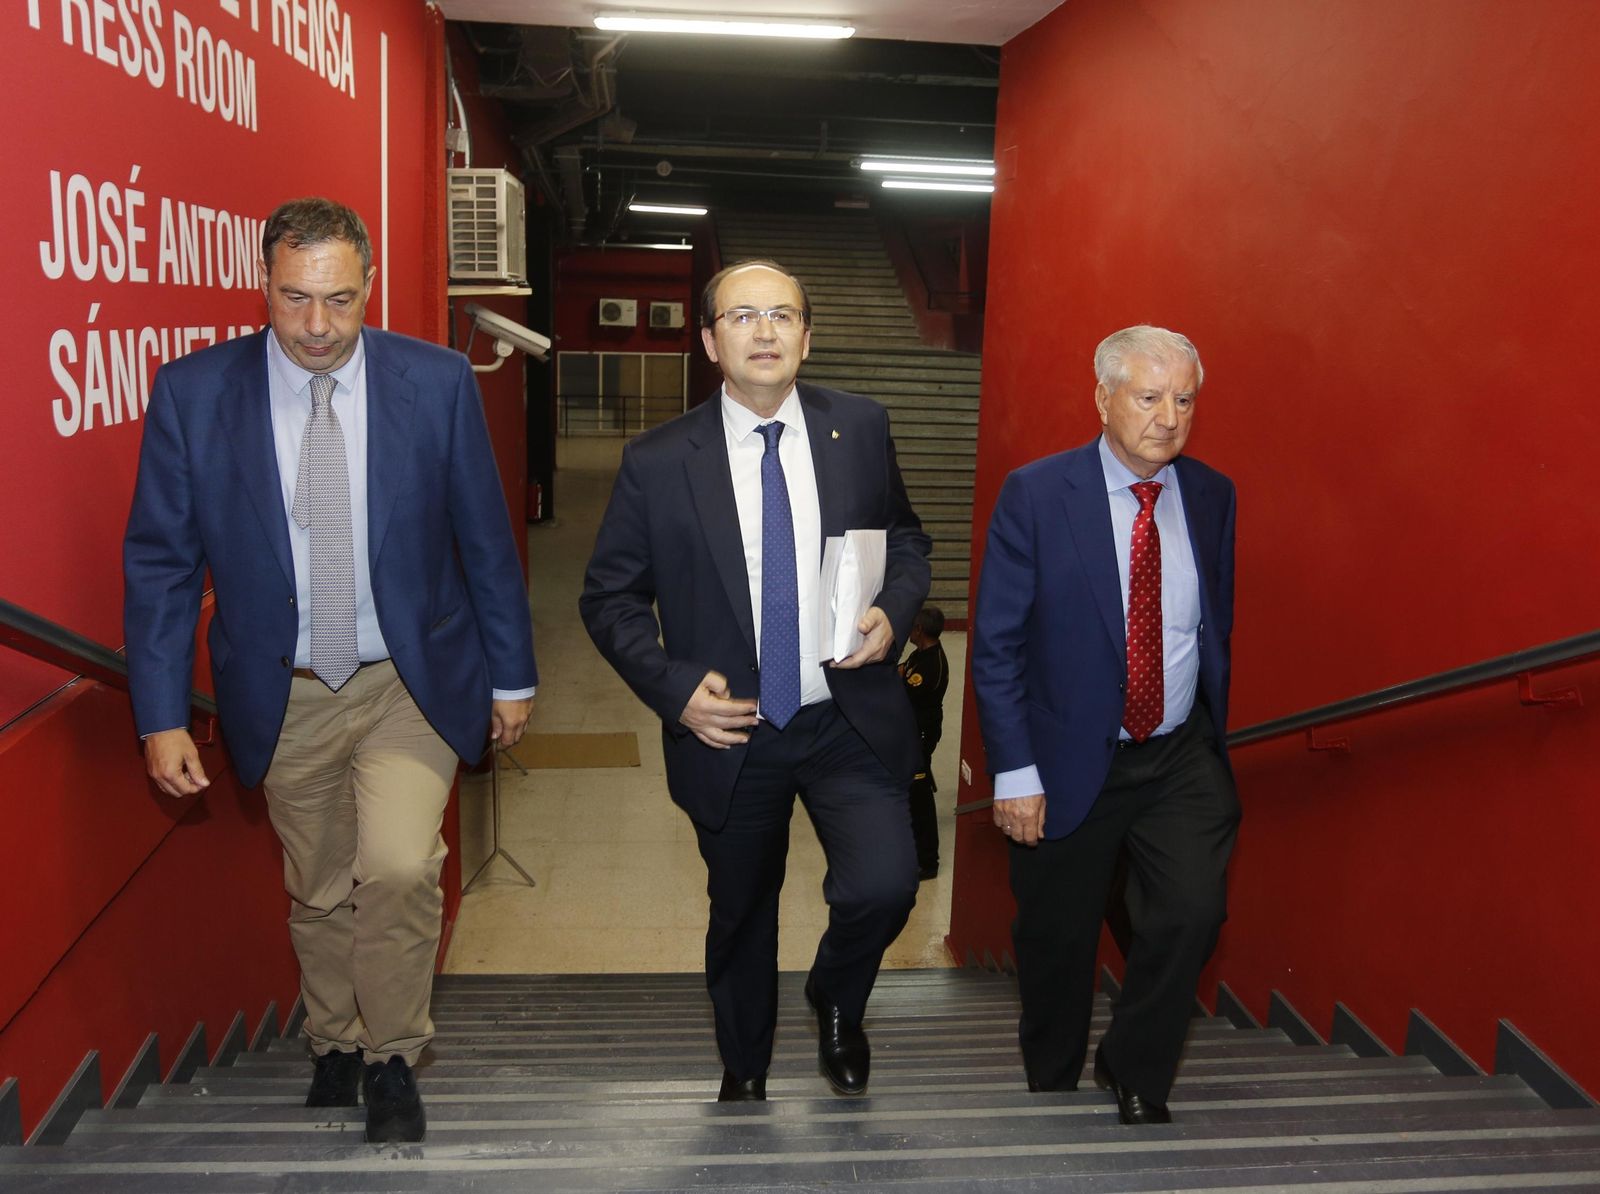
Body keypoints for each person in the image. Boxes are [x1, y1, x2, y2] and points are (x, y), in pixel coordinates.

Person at [123, 197, 538, 1144]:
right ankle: (335, 1040)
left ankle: (394, 1054)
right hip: (287, 689)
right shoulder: (195, 392)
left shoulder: (433, 382)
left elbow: (485, 538)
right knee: (317, 885)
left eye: (341, 301)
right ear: (263, 284)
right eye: (295, 300)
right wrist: (160, 712)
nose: (317, 327)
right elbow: (161, 563)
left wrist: (511, 676)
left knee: (395, 866)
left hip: (409, 680)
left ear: (370, 285)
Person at [580, 259, 931, 1103]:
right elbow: (610, 597)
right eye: (743, 317)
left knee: (885, 883)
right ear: (709, 341)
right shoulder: (659, 460)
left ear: (807, 337)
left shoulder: (862, 427)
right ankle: (745, 1069)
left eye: (782, 316)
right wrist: (673, 689)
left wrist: (893, 609)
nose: (765, 331)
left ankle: (836, 996)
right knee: (742, 913)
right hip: (730, 728)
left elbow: (910, 545)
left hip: (842, 713)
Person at [970, 325, 1238, 1125]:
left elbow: (1207, 627)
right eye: (1148, 396)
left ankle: (1135, 1070)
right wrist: (1014, 772)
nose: (1168, 416)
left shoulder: (1214, 495)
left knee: (1193, 911)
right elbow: (997, 644)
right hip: (1063, 759)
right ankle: (1049, 1088)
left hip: (1178, 753)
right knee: (1058, 944)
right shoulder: (1037, 493)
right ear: (1103, 398)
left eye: (1183, 399)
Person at [899, 604, 950, 880]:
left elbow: (903, 692)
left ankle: (928, 861)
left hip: (921, 733)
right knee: (909, 792)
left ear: (919, 630)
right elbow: (902, 672)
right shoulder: (920, 655)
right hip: (911, 731)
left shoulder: (932, 664)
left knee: (920, 798)